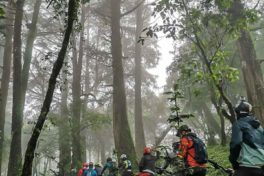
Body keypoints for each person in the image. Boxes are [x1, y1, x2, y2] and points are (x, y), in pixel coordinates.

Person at [229, 99, 264, 176]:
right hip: (261, 168)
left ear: (237, 112)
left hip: (246, 168)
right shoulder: (259, 127)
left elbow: (236, 143)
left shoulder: (238, 124)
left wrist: (233, 162)